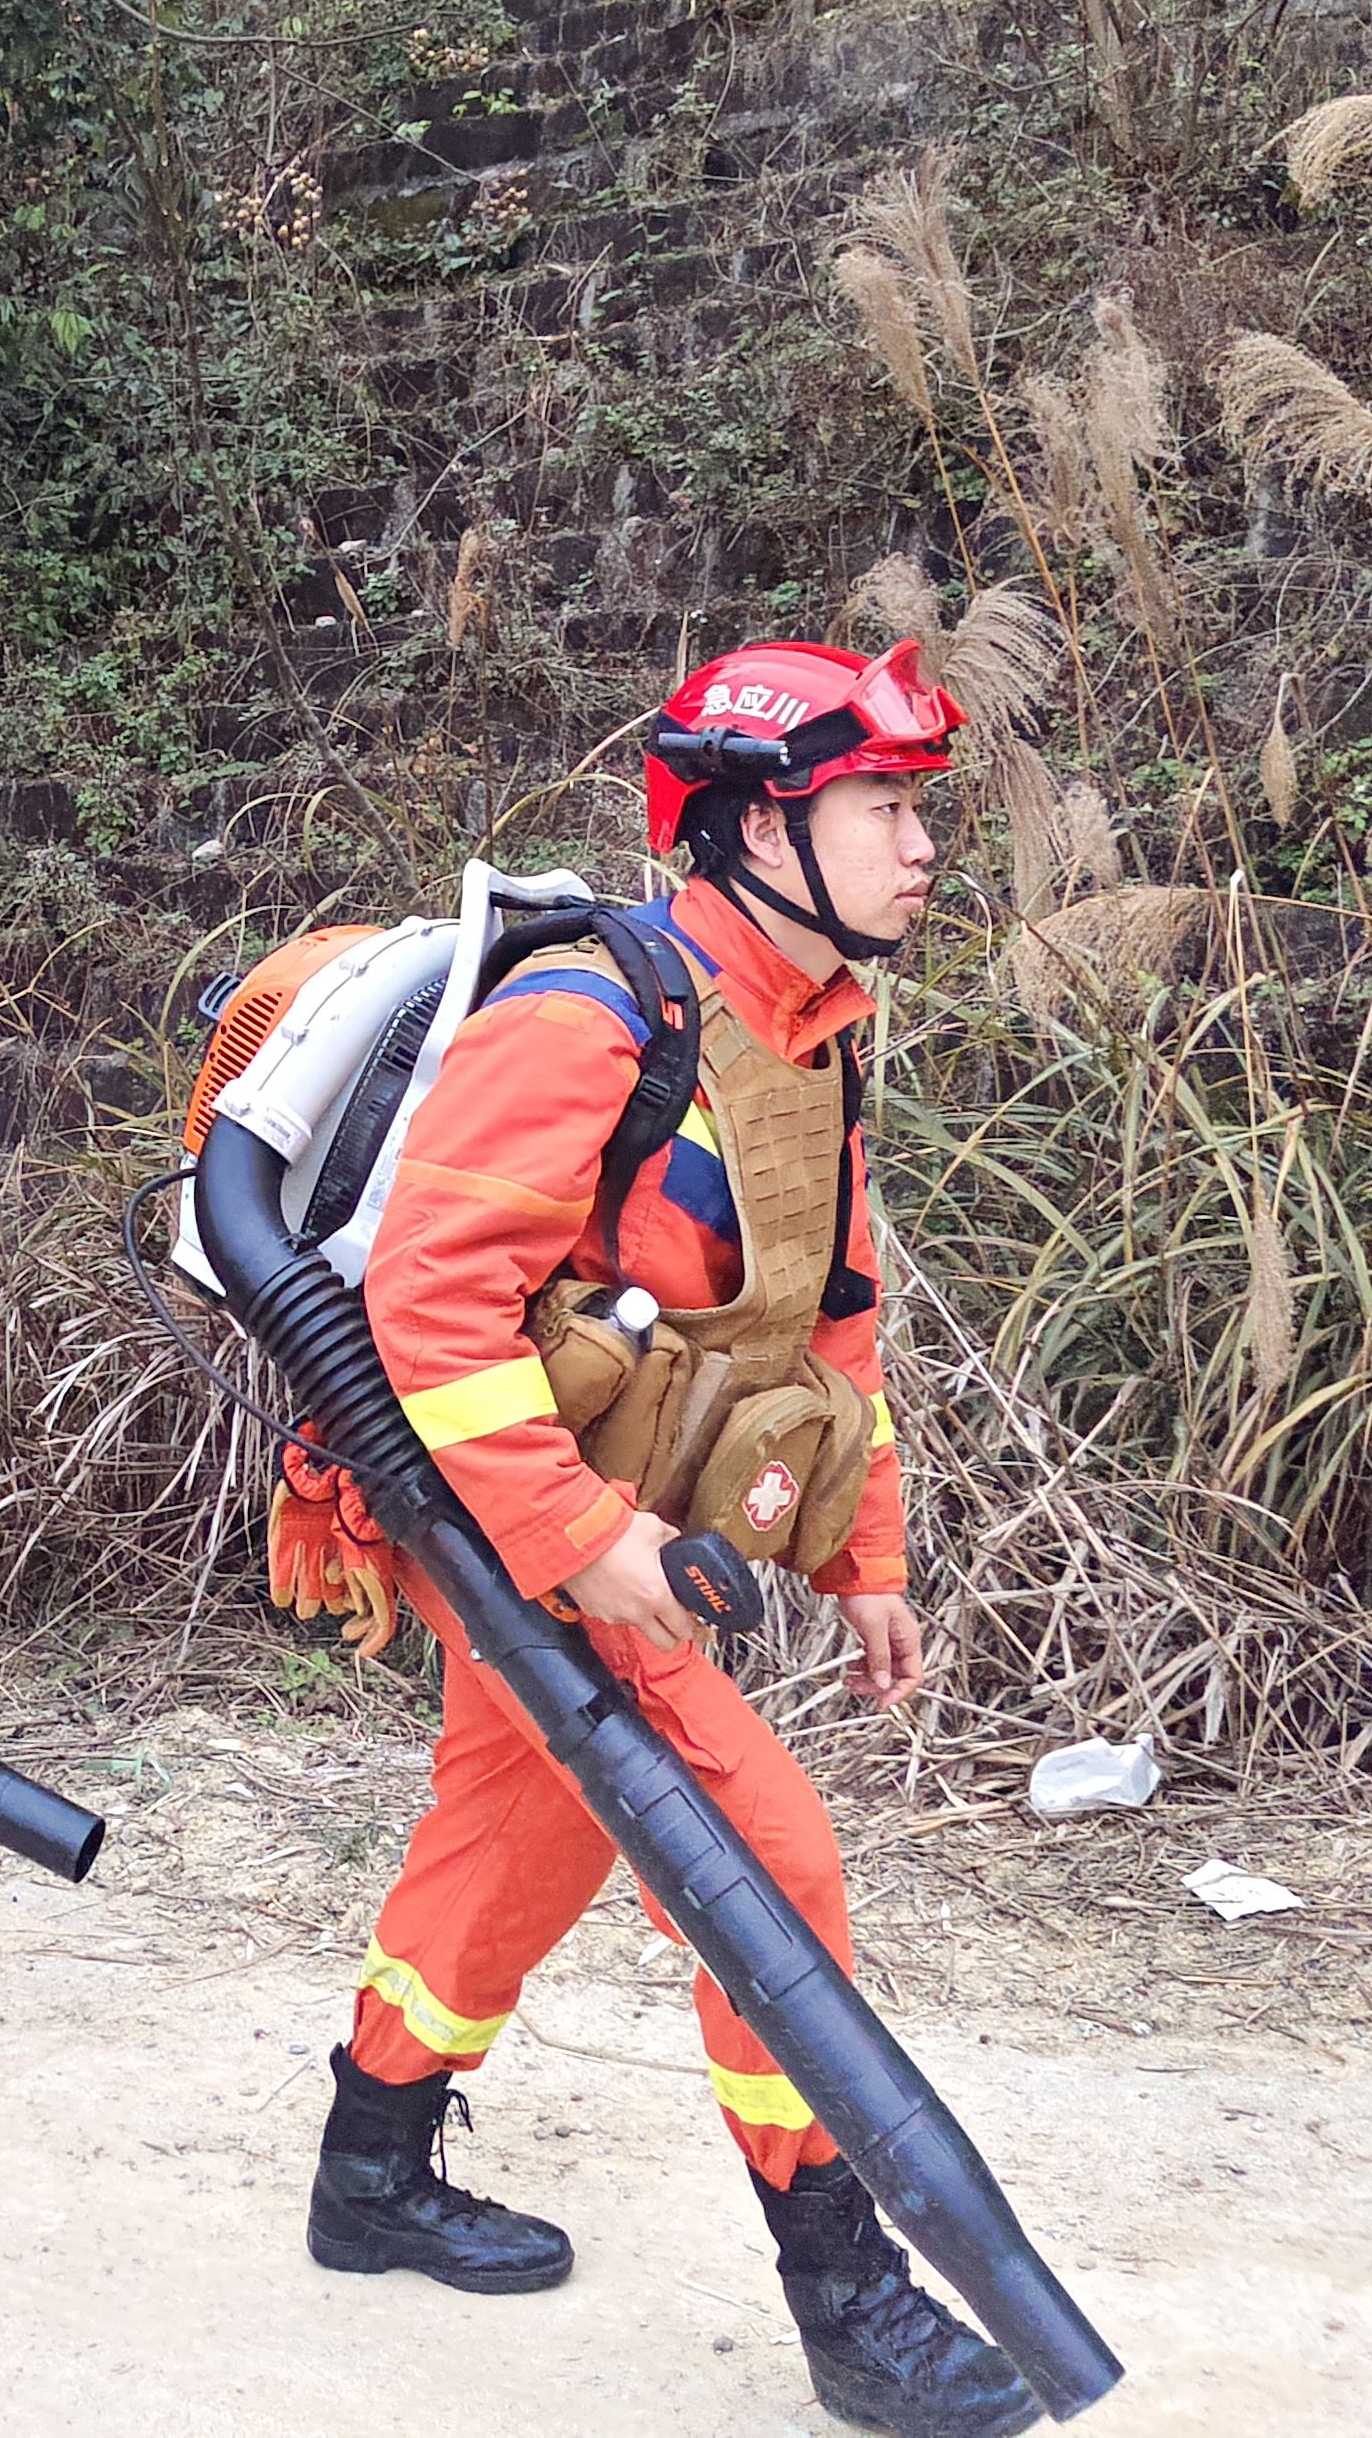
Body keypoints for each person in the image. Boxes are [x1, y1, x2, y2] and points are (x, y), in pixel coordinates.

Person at [276, 637, 1043, 2438]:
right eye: (882, 808)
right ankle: (853, 2301)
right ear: (756, 825)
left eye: (922, 809)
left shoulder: (816, 1039)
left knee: (506, 1854)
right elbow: (430, 1307)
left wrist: (870, 1562)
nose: (922, 846)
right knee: (767, 1872)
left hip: (620, 1541)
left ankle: (367, 2174)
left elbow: (833, 1327)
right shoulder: (591, 1014)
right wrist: (578, 1538)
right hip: (531, 1539)